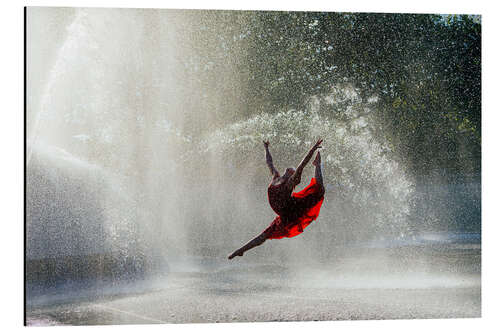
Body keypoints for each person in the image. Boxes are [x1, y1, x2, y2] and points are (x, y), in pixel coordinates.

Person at [228, 139, 325, 260]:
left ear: (292, 177)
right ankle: (241, 250)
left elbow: (302, 165)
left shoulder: (288, 184)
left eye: (294, 173)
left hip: (289, 211)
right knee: (264, 236)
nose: (292, 170)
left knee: (319, 191)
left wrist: (313, 149)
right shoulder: (276, 176)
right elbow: (269, 162)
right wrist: (266, 148)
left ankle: (317, 165)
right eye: (292, 171)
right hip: (284, 209)